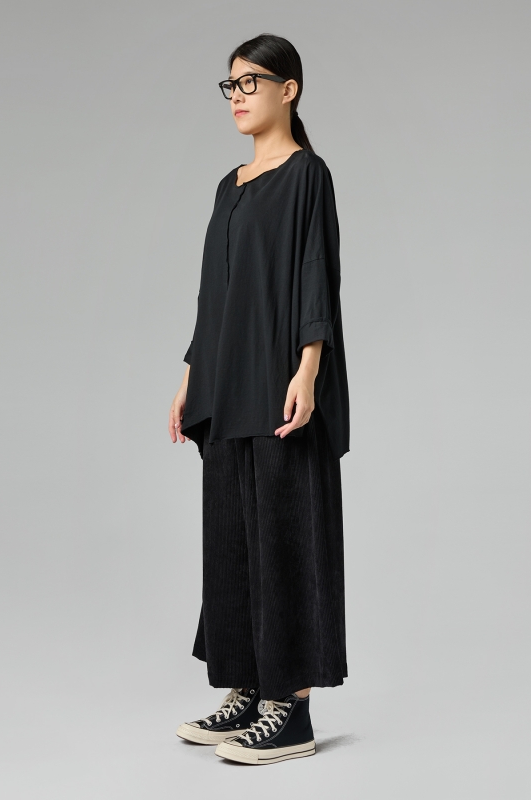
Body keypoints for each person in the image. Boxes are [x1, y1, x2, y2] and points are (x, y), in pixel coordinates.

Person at [168, 32, 351, 766]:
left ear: (288, 89)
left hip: (278, 383)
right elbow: (214, 291)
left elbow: (315, 274)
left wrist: (308, 370)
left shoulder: (308, 175)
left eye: (251, 82)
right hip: (224, 384)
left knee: (284, 540)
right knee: (232, 544)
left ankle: (291, 709)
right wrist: (190, 374)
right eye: (231, 85)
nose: (238, 97)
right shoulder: (229, 184)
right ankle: (245, 691)